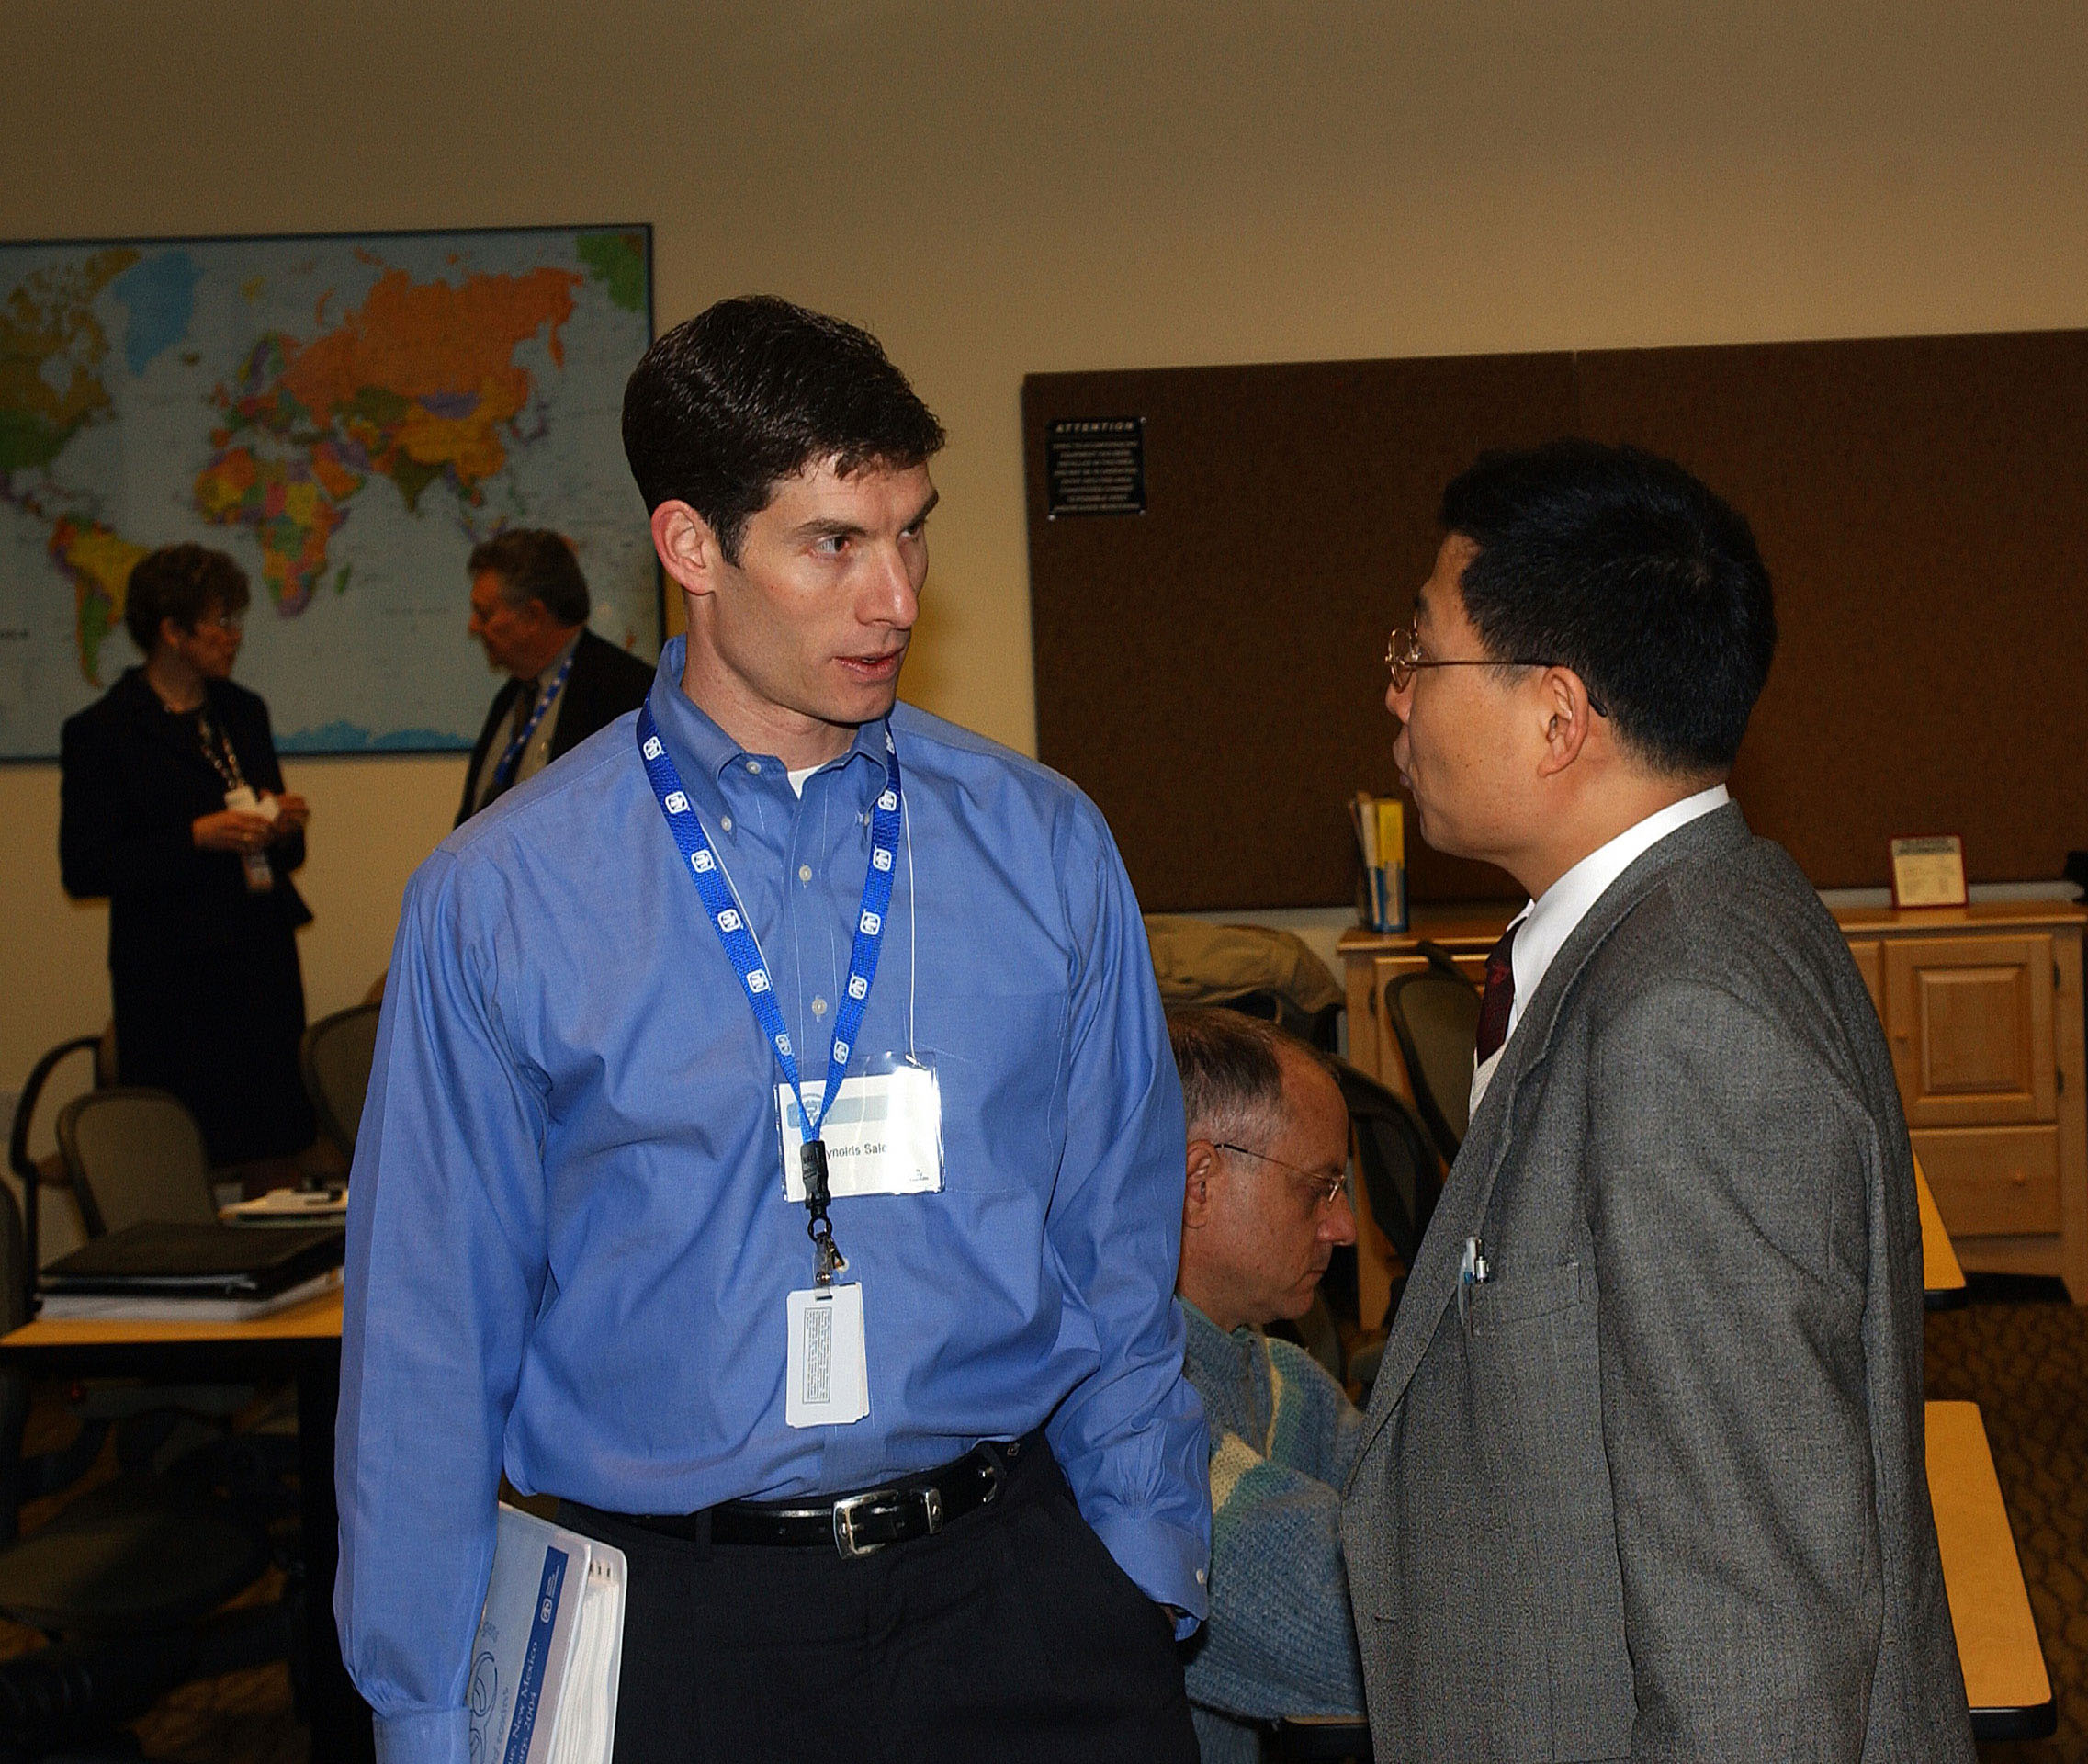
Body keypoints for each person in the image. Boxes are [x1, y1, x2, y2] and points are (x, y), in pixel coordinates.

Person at [336, 296, 1208, 1764]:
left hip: (1018, 1600)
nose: (899, 598)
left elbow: (1118, 1243)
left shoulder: (1043, 846)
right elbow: (431, 1335)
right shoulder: (502, 896)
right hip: (681, 1637)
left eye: (912, 530)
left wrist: (1143, 1561)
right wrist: (430, 1709)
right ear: (692, 547)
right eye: (834, 544)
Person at [1340, 440, 1973, 1762]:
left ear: (1559, 717)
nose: (1393, 695)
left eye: (1420, 648)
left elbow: (1756, 1619)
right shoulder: (1696, 915)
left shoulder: (1687, 1016)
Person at [59, 543, 318, 1168]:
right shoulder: (105, 730)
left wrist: (279, 825)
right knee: (182, 1153)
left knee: (274, 1146)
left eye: (236, 620)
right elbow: (87, 866)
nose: (234, 637)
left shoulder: (242, 713)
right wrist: (195, 837)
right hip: (173, 984)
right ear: (171, 632)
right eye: (220, 622)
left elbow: (287, 855)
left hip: (260, 966)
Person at [1167, 1007, 1365, 1764]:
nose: (1343, 1227)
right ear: (1200, 1183)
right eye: (1320, 1188)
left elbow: (1406, 1508)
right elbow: (1373, 1632)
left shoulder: (1281, 1376)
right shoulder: (1135, 1420)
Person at [454, 526, 654, 824]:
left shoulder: (628, 695)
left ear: (532, 616)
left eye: (484, 614)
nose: (473, 627)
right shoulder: (510, 700)